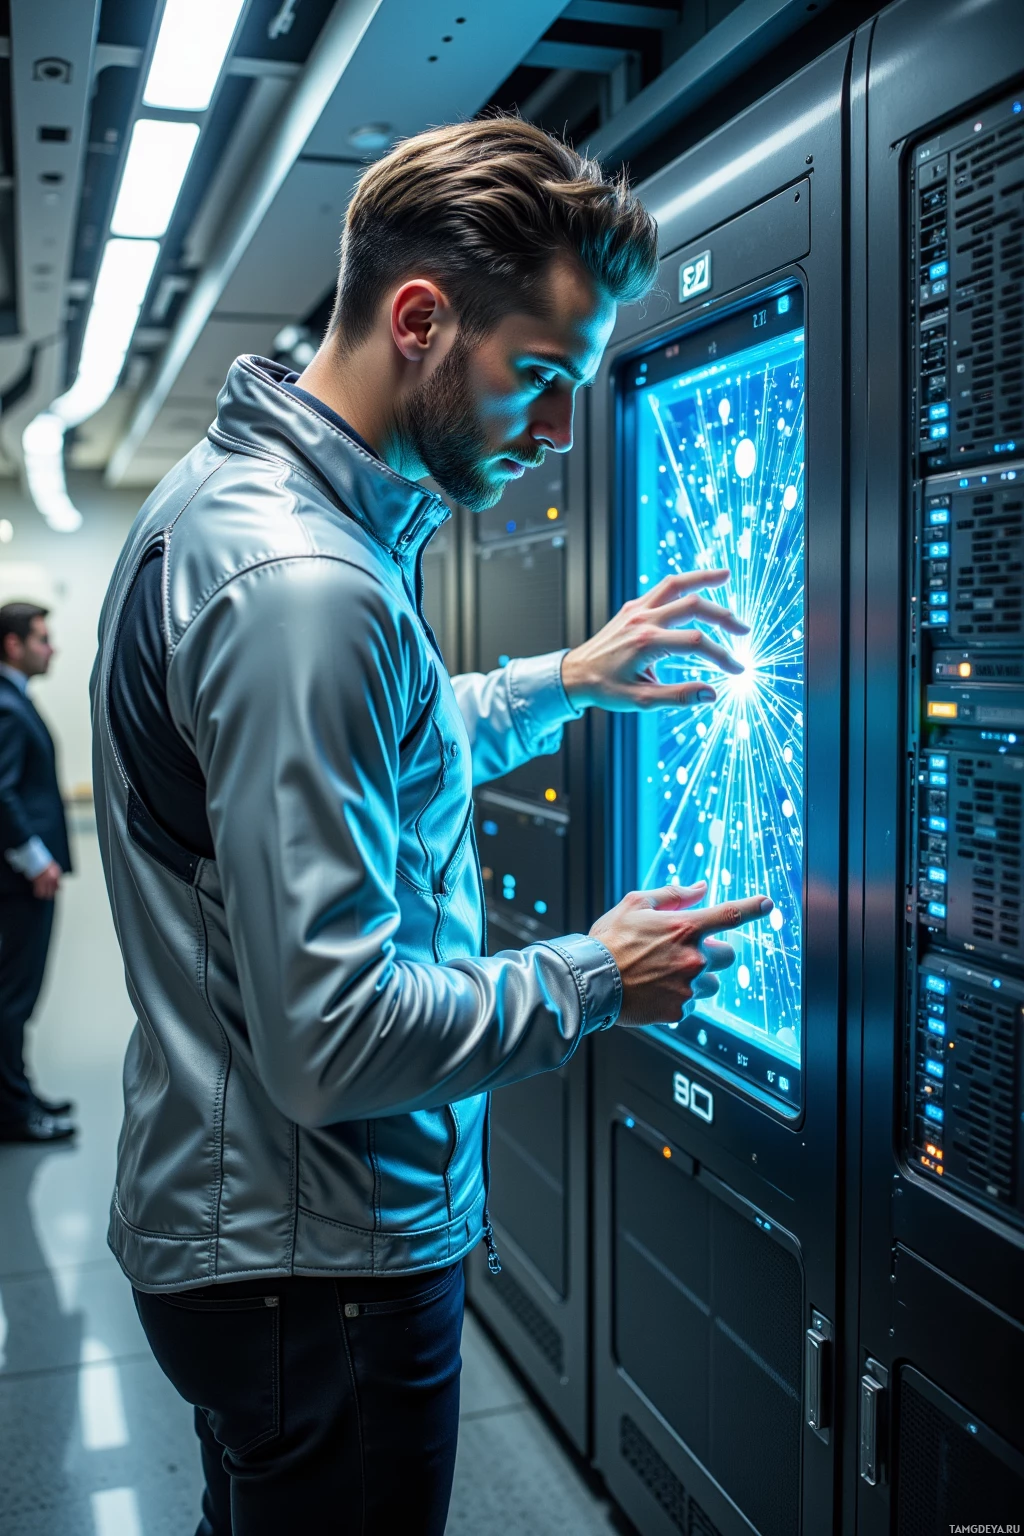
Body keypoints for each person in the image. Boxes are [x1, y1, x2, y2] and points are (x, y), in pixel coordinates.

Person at [91, 117, 772, 1535]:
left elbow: (364, 754)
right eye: (541, 377)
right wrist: (597, 975)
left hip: (256, 1244)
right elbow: (334, 1042)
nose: (561, 431)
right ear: (419, 320)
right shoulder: (305, 590)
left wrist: (560, 683)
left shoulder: (239, 513)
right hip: (316, 1267)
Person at [0, 602, 75, 1143]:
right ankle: (12, 1113)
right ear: (13, 644)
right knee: (12, 996)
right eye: (43, 639)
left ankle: (18, 1094)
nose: (52, 649)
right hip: (21, 878)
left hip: (27, 874)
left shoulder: (14, 700)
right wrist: (35, 858)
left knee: (16, 995)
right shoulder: (5, 706)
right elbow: (0, 791)